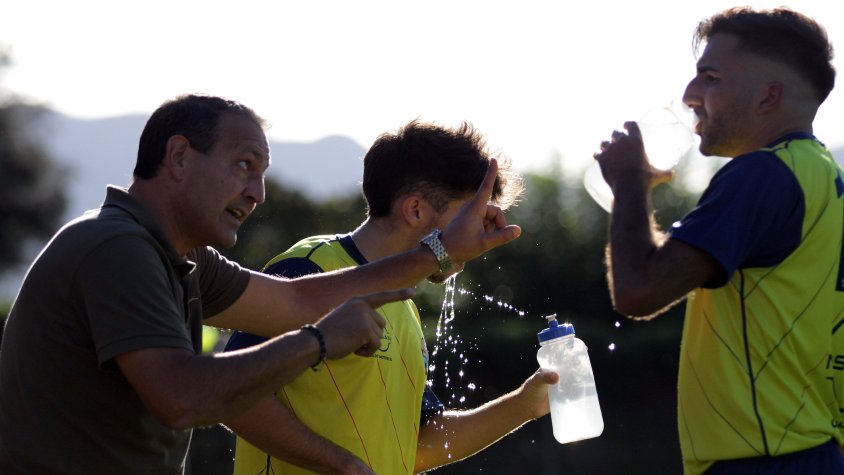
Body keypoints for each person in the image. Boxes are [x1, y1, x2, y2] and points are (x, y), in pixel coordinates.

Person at [0, 94, 521, 474]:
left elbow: (298, 301)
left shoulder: (184, 259)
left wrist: (441, 251)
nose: (258, 193)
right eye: (244, 165)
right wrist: (318, 342)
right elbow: (183, 397)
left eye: (263, 172)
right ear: (178, 157)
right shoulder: (117, 247)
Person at [224, 120, 557, 475]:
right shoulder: (309, 267)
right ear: (415, 210)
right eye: (467, 217)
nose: (477, 236)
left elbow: (417, 445)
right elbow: (230, 393)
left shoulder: (404, 303)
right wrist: (340, 464)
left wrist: (523, 405)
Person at [594, 7, 843, 475]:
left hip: (761, 460)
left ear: (768, 96)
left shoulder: (762, 175)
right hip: (812, 453)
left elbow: (637, 291)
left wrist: (630, 185)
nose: (690, 96)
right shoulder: (828, 178)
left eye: (709, 77)